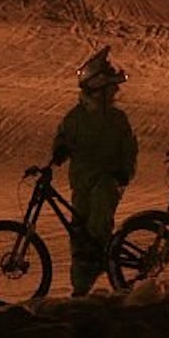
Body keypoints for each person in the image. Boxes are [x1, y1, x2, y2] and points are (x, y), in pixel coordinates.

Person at [51, 46, 138, 297]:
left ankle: (105, 265)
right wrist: (60, 150)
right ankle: (81, 288)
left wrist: (124, 172)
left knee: (99, 222)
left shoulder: (117, 119)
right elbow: (63, 138)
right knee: (79, 233)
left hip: (107, 181)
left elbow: (129, 149)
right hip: (82, 182)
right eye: (111, 88)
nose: (115, 93)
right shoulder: (75, 118)